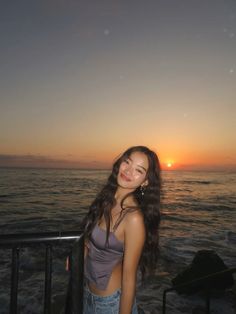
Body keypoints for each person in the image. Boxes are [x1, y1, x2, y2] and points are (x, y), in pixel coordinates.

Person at [81, 146, 161, 314]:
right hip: (87, 293)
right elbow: (89, 237)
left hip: (110, 304)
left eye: (138, 170)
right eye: (127, 162)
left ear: (145, 181)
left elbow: (129, 277)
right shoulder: (106, 199)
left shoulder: (133, 218)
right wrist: (79, 252)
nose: (128, 171)